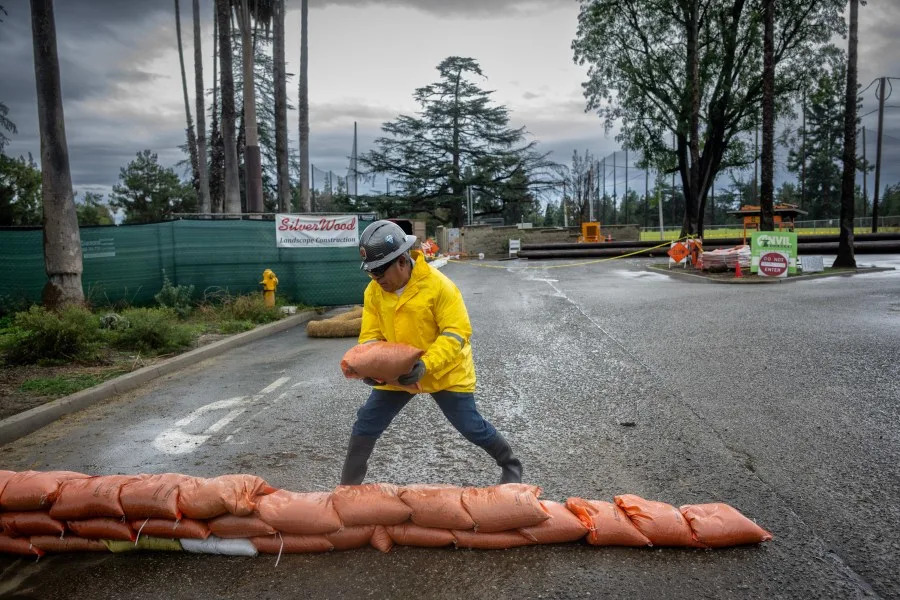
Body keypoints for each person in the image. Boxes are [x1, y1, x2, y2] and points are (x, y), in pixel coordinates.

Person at [340, 220, 523, 485]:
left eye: (381, 271)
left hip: (446, 370)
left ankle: (511, 465)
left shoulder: (439, 287)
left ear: (402, 261)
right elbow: (370, 336)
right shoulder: (374, 291)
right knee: (366, 422)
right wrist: (370, 367)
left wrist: (426, 365)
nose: (377, 279)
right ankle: (347, 488)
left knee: (471, 427)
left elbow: (456, 334)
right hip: (397, 373)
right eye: (372, 272)